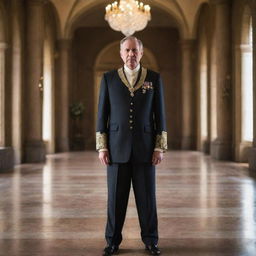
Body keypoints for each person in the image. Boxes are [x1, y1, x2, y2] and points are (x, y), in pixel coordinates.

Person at [96, 36, 167, 256]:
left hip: (146, 149)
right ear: (120, 53)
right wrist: (102, 146)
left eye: (135, 51)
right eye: (127, 50)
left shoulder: (153, 79)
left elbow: (160, 115)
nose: (131, 55)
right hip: (116, 149)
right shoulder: (108, 79)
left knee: (147, 199)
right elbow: (102, 115)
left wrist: (159, 147)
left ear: (141, 53)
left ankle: (151, 241)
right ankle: (113, 241)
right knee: (115, 199)